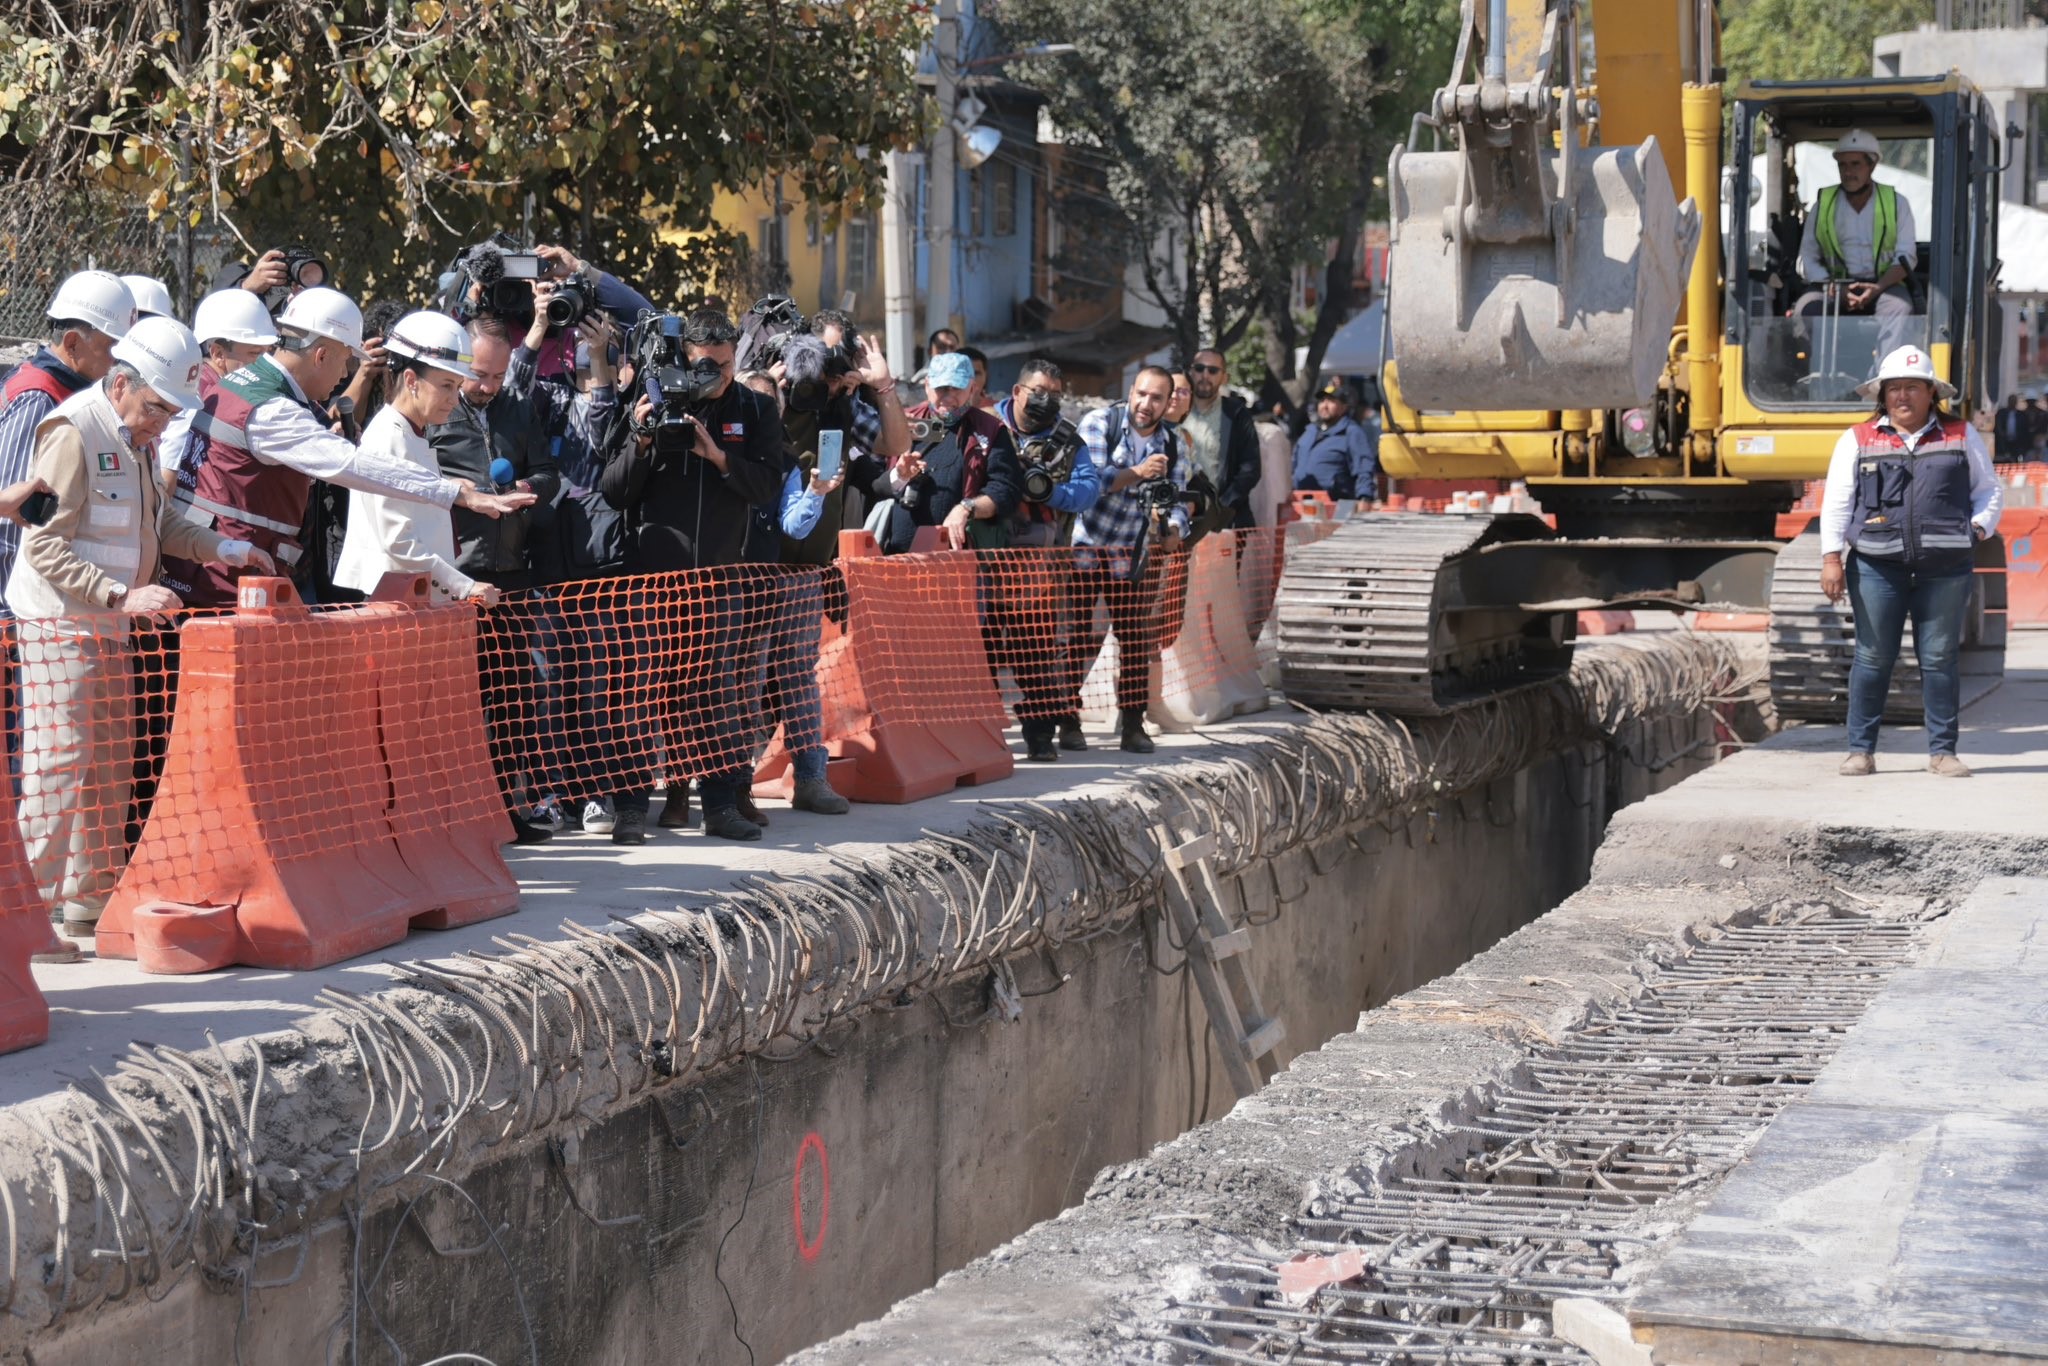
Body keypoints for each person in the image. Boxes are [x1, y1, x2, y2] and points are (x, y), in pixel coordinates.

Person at [6, 318, 273, 951]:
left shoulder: (137, 435)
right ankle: (25, 917)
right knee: (58, 766)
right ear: (121, 384)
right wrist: (120, 595)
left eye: (170, 411)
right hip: (61, 624)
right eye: (156, 408)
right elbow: (43, 546)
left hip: (108, 622)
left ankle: (88, 901)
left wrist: (222, 546)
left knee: (110, 762)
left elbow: (159, 522)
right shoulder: (73, 432)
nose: (162, 422)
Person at [160, 287, 532, 607]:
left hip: (217, 570)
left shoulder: (248, 385)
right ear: (321, 354)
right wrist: (454, 493)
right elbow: (353, 466)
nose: (345, 375)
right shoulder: (272, 411)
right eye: (346, 360)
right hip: (228, 582)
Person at [599, 309, 785, 844]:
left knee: (717, 697)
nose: (718, 375)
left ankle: (722, 805)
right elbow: (613, 490)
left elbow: (768, 485)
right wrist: (641, 438)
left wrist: (721, 459)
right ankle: (632, 808)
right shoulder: (651, 400)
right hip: (651, 583)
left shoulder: (754, 407)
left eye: (726, 365)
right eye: (707, 365)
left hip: (719, 582)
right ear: (686, 357)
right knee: (639, 695)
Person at [1819, 346, 2000, 778]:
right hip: (1877, 567)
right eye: (1894, 388)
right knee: (1872, 657)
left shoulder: (1960, 434)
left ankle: (1943, 753)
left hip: (1945, 569)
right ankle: (1860, 751)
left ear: (1931, 392)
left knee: (1938, 660)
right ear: (1883, 396)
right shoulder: (1858, 439)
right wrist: (1831, 558)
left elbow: (1989, 491)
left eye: (1913, 388)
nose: (1903, 396)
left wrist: (1975, 530)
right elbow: (1837, 501)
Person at [334, 313, 503, 609]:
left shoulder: (408, 432)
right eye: (447, 385)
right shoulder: (390, 436)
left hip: (415, 599)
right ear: (411, 379)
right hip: (399, 605)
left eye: (458, 385)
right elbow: (399, 541)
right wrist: (465, 587)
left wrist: (447, 486)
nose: (455, 397)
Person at [1066, 366, 1190, 754]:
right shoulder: (1100, 422)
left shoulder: (1173, 444)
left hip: (1130, 552)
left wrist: (1174, 531)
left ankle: (1133, 724)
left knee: (1134, 639)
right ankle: (1067, 719)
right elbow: (1092, 484)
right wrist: (1137, 472)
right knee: (1076, 635)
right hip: (1086, 545)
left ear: (1169, 403)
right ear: (1129, 391)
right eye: (1140, 394)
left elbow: (1178, 499)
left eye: (1156, 398)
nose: (1145, 404)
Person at [0, 271, 136, 608]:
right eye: (111, 347)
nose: (119, 361)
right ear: (73, 343)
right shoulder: (40, 399)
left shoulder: (64, 391)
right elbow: (14, 520)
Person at [993, 359, 1100, 761]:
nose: (1047, 401)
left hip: (1040, 565)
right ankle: (979, 737)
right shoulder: (987, 426)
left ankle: (1040, 737)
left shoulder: (1069, 441)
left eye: (1055, 394)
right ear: (1018, 391)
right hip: (982, 562)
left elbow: (1088, 491)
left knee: (1035, 655)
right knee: (979, 651)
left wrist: (1045, 493)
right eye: (1039, 392)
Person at [1793, 129, 1916, 357]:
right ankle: (1812, 380)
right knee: (1805, 310)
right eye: (1843, 165)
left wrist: (1877, 288)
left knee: (1900, 309)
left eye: (1855, 164)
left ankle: (1886, 381)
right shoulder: (1823, 206)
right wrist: (1834, 288)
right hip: (1833, 287)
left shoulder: (1897, 204)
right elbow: (1807, 258)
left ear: (1872, 165)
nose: (1848, 172)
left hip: (1883, 286)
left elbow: (1906, 256)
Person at [888, 351, 1019, 553]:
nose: (948, 396)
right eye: (941, 388)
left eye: (956, 388)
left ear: (972, 388)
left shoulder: (990, 430)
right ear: (927, 386)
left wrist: (966, 508)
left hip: (959, 559)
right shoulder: (905, 421)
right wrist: (899, 475)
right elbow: (875, 479)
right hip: (898, 556)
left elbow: (1006, 490)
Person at [159, 290, 281, 490]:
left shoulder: (221, 388)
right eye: (254, 353)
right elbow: (167, 470)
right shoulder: (198, 396)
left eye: (269, 352)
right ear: (218, 354)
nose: (265, 363)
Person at [1181, 348, 1265, 531]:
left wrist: (1222, 508)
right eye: (1199, 368)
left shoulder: (1236, 414)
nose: (1205, 375)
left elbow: (1251, 468)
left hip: (1225, 521)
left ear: (1224, 377)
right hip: (1179, 519)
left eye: (1212, 370)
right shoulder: (1175, 410)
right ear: (1190, 372)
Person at [1291, 379, 1379, 500]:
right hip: (1302, 502)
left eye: (1331, 401)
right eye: (1322, 401)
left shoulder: (1351, 432)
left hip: (1336, 503)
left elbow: (1364, 467)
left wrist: (1364, 496)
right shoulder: (1309, 432)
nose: (1325, 406)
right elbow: (1294, 464)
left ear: (1343, 407)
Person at [1993, 393, 2026, 464]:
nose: (2012, 403)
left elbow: (2023, 429)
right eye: (2011, 401)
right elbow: (1998, 425)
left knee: (2016, 460)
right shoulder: (2001, 412)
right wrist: (2001, 434)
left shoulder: (2021, 414)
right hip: (2003, 441)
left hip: (2016, 442)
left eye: (2014, 401)